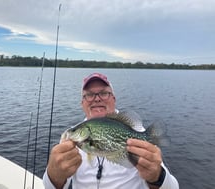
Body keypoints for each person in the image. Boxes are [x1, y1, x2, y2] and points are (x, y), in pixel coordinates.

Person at [43, 72, 179, 189]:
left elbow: (173, 187)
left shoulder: (137, 135)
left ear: (113, 99)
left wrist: (157, 176)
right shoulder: (70, 137)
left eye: (103, 93)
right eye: (89, 95)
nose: (96, 99)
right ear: (82, 103)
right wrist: (54, 174)